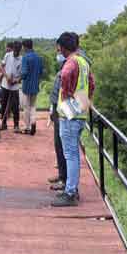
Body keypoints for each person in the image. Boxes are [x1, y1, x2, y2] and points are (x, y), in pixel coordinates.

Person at [51, 32, 90, 207]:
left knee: (71, 154)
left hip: (69, 113)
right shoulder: (83, 62)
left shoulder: (71, 62)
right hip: (81, 109)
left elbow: (65, 75)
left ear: (64, 47)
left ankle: (70, 192)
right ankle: (71, 187)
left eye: (59, 47)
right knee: (73, 152)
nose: (58, 50)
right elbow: (92, 83)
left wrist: (66, 95)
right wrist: (82, 100)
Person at [48, 51, 68, 191]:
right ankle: (62, 175)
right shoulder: (64, 66)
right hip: (58, 109)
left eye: (59, 50)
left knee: (64, 147)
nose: (58, 53)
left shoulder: (73, 65)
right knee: (58, 145)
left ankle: (66, 181)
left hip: (64, 112)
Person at [20, 39, 44, 135]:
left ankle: (27, 127)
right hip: (35, 86)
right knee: (33, 106)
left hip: (27, 86)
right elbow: (41, 72)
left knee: (26, 107)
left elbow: (24, 73)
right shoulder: (39, 58)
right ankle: (33, 122)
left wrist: (19, 78)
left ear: (25, 47)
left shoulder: (25, 57)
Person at [0, 41, 22, 132]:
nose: (16, 52)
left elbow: (22, 75)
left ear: (20, 50)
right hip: (5, 84)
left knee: (15, 106)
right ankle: (4, 123)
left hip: (15, 86)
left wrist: (16, 80)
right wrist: (6, 76)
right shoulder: (7, 55)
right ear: (13, 49)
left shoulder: (21, 59)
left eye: (18, 51)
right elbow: (2, 67)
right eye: (15, 50)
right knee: (3, 104)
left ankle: (16, 125)